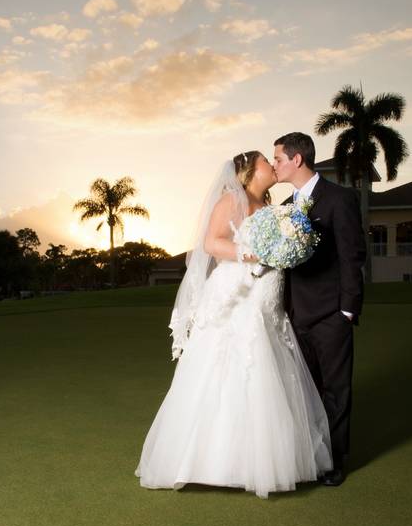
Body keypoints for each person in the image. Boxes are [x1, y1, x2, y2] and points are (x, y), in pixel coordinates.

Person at [135, 151, 332, 498]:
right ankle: (211, 462)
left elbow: (283, 241)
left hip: (269, 289)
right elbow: (212, 243)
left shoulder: (274, 205)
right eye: (265, 161)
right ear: (248, 171)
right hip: (237, 290)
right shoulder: (232, 200)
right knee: (230, 358)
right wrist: (256, 253)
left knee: (270, 358)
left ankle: (268, 458)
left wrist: (289, 248)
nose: (272, 165)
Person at [273, 132, 366, 486]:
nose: (275, 165)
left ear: (297, 159)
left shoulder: (339, 199)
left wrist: (347, 311)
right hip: (297, 316)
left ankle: (334, 463)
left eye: (278, 158)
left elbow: (352, 256)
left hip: (331, 315)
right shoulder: (283, 210)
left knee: (335, 390)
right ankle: (312, 457)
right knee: (306, 393)